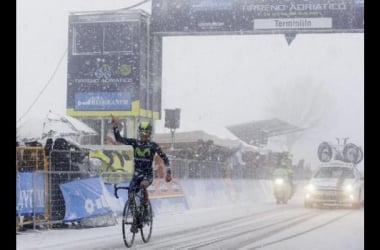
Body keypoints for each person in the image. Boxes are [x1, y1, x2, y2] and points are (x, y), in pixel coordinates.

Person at [111, 115, 172, 220]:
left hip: (147, 174)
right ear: (139, 132)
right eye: (142, 132)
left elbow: (165, 158)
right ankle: (136, 218)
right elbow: (119, 138)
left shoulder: (153, 145)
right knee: (130, 195)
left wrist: (169, 173)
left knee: (143, 185)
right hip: (136, 174)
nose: (144, 134)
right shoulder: (135, 143)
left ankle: (146, 208)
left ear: (150, 133)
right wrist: (115, 126)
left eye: (146, 132)